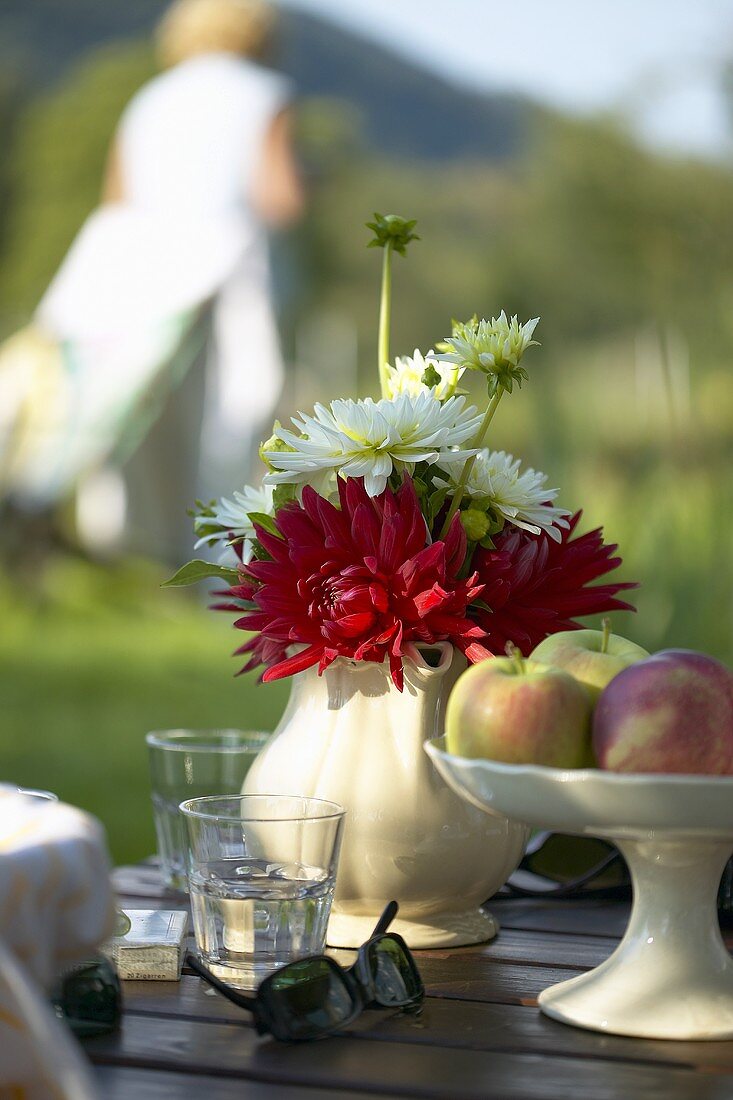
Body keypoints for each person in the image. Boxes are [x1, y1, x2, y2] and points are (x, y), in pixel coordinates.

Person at [4, 0, 303, 562]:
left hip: (140, 272)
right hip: (230, 267)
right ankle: (222, 561)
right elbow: (279, 197)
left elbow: (118, 198)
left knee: (136, 408)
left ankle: (137, 551)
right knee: (232, 411)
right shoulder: (265, 92)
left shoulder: (150, 98)